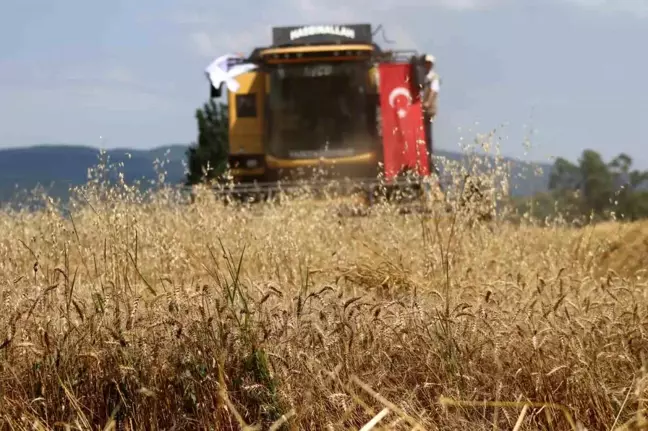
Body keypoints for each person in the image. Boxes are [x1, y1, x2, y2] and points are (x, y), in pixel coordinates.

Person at [421, 54, 442, 189]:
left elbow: (433, 92)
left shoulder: (433, 78)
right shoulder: (422, 76)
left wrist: (427, 103)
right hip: (420, 111)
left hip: (427, 112)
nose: (427, 65)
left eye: (429, 63)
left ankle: (428, 163)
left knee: (427, 139)